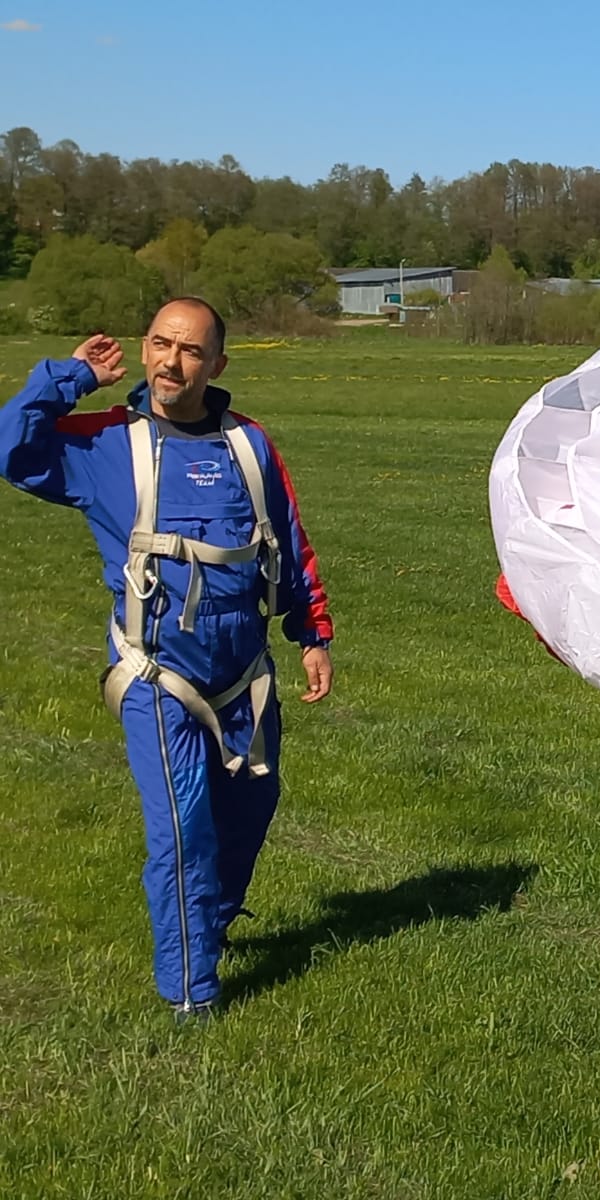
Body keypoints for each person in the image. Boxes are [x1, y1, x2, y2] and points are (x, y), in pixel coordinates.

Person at [0, 298, 335, 1020]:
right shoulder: (103, 447)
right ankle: (192, 993)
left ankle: (206, 924)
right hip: (158, 672)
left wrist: (312, 632)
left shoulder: (250, 445)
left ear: (216, 364)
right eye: (159, 344)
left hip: (243, 670)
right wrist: (67, 378)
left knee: (250, 807)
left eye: (188, 351)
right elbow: (12, 451)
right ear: (143, 348)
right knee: (184, 827)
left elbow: (287, 538)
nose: (169, 363)